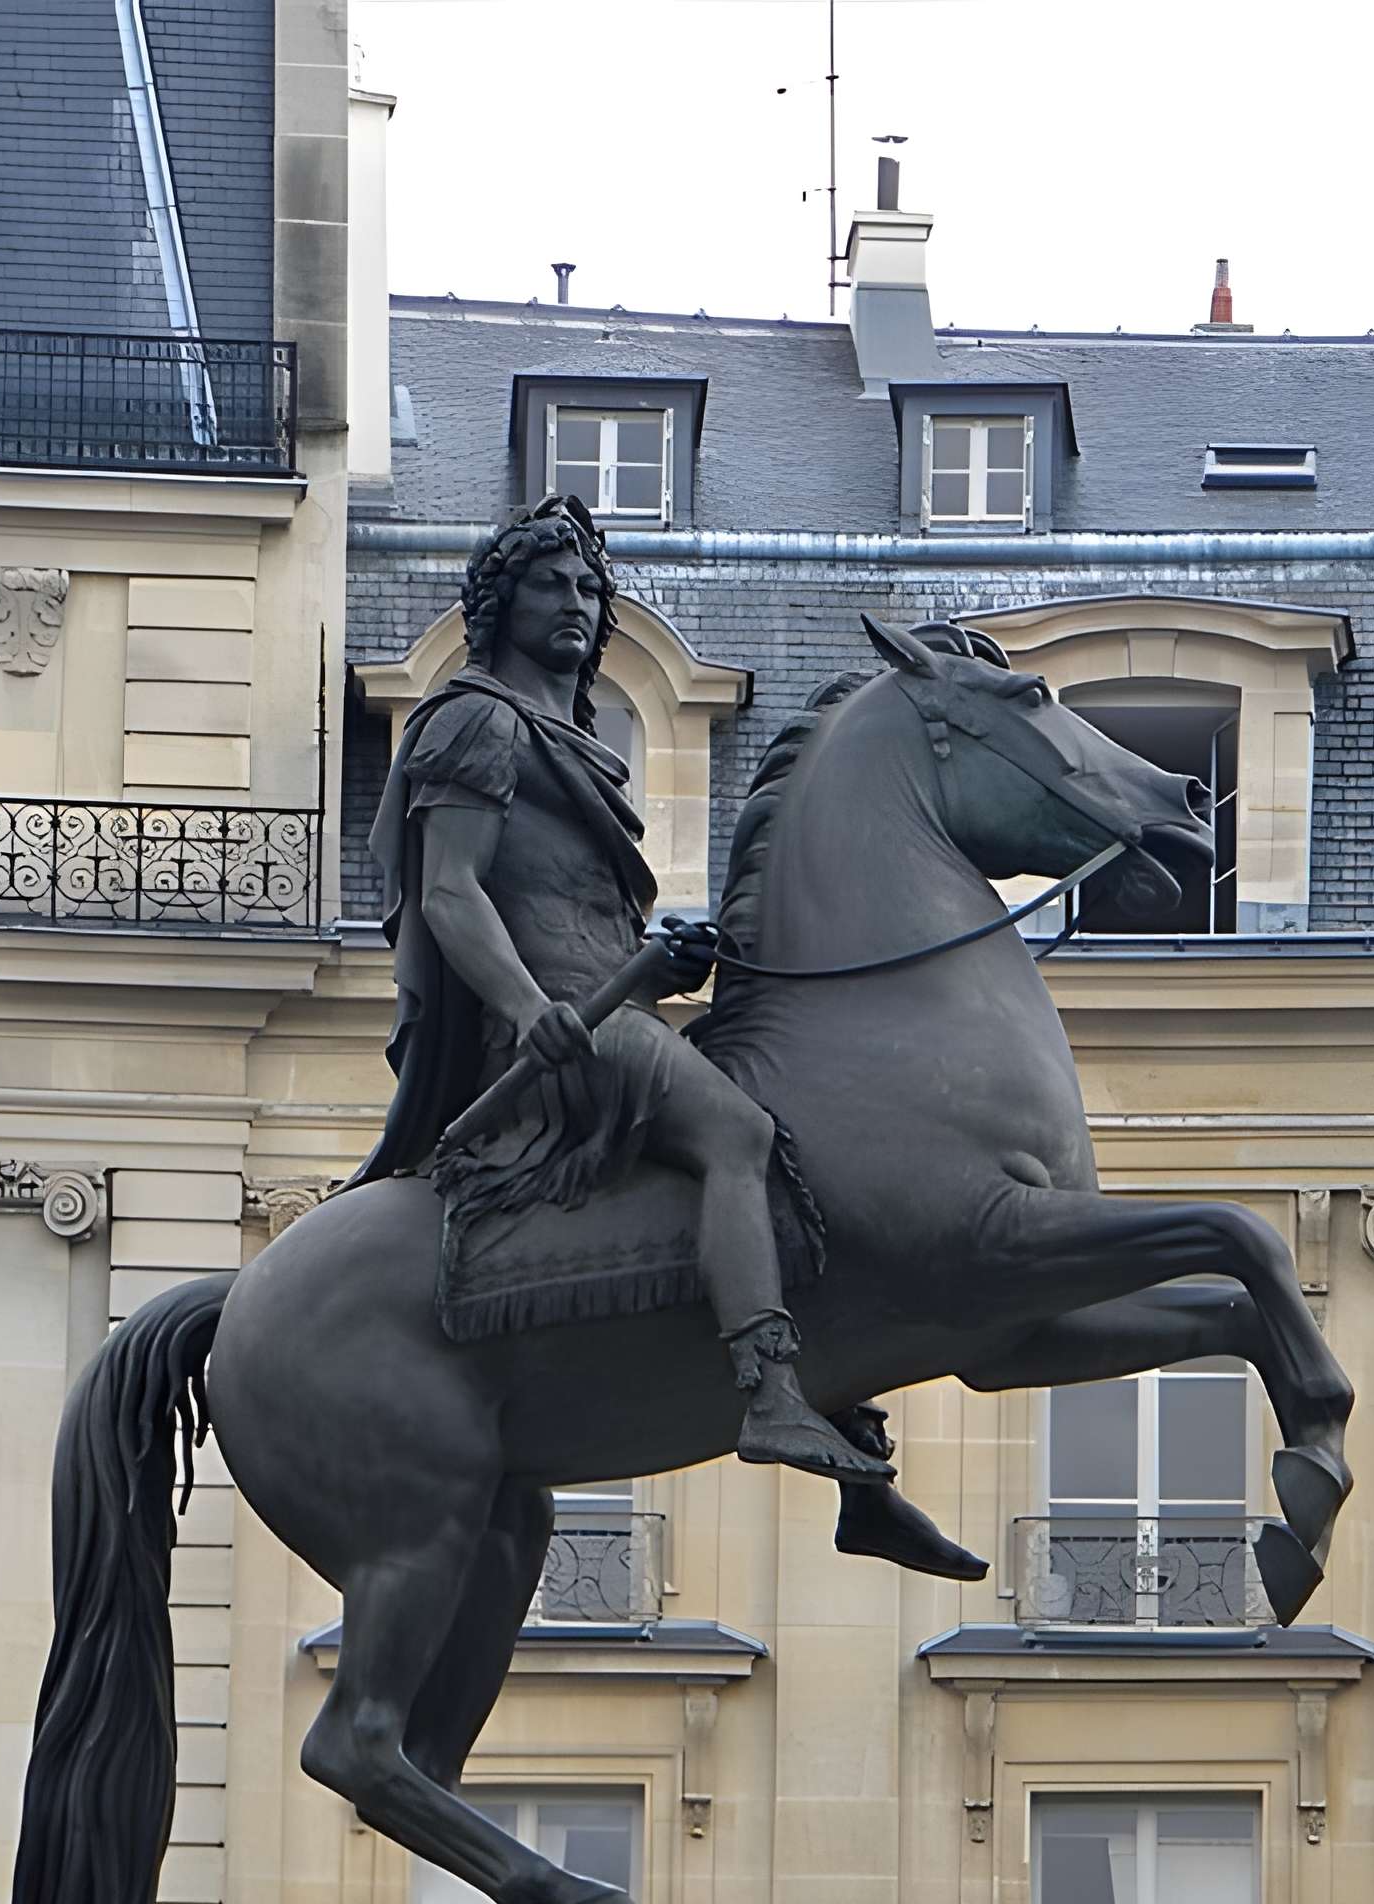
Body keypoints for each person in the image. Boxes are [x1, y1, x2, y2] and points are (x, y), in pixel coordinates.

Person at [354, 497, 986, 1577]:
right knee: (737, 1135)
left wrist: (673, 953)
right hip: (558, 1023)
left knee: (815, 1163)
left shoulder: (579, 743)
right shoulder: (477, 722)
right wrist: (524, 1010)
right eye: (551, 584)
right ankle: (770, 1395)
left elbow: (586, 908)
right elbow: (451, 894)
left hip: (615, 999)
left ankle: (861, 1471)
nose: (575, 603)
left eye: (590, 589)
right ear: (501, 605)